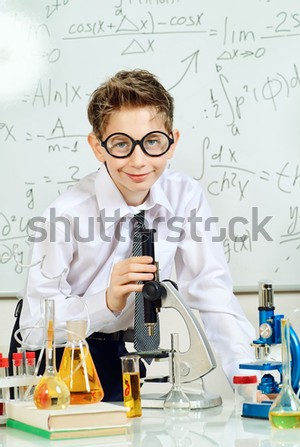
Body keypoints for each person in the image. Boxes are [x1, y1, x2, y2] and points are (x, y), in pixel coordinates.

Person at [17, 69, 256, 401]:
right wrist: (106, 300)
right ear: (97, 147)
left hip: (128, 360)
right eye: (121, 144)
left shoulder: (184, 196)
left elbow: (213, 294)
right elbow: (32, 329)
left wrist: (251, 385)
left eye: (152, 142)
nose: (139, 160)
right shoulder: (64, 216)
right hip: (67, 367)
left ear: (172, 142)